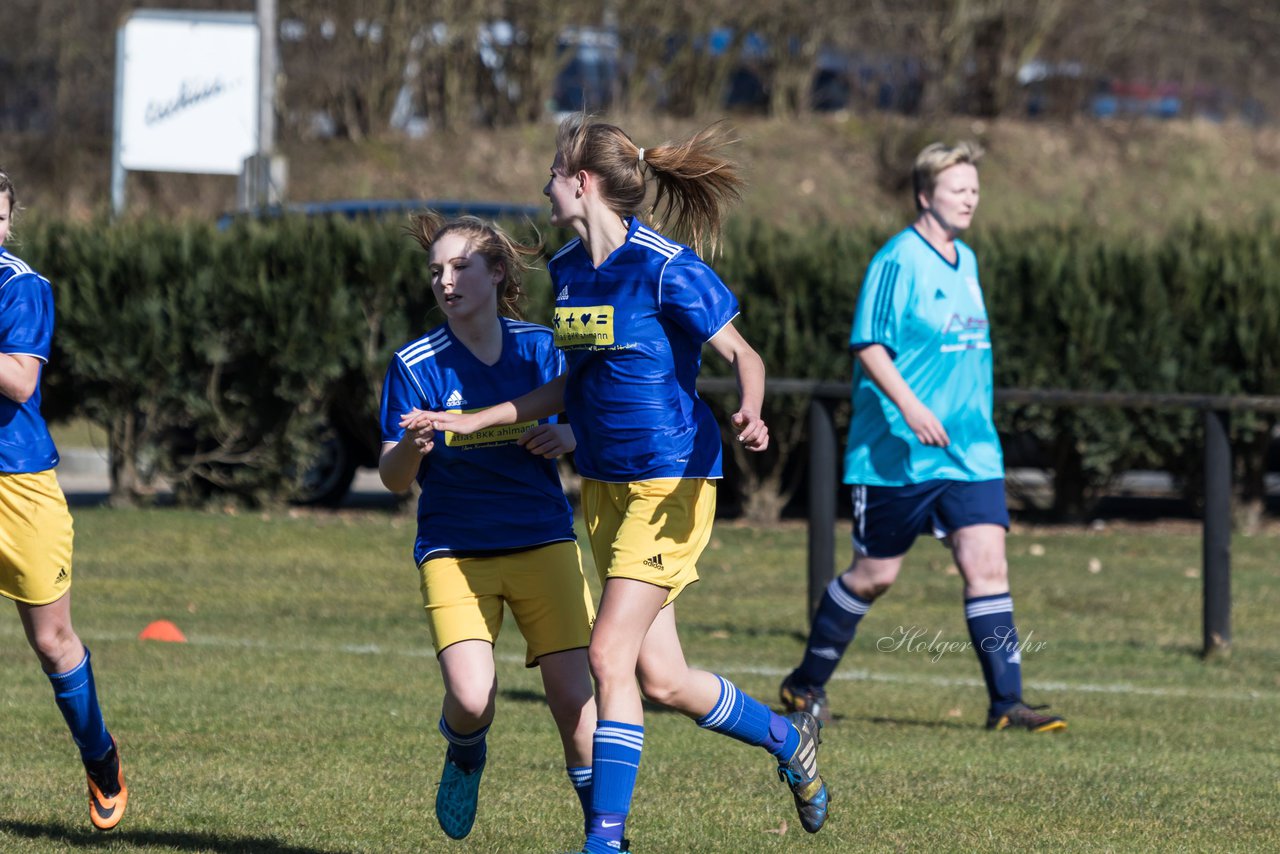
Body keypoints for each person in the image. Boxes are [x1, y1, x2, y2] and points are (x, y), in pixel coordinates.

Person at [404, 117, 829, 854]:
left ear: (582, 181)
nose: (543, 184)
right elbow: (576, 380)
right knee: (662, 679)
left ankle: (606, 841)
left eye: (551, 172)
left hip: (672, 485)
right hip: (602, 487)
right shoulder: (571, 269)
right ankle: (790, 740)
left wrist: (752, 407)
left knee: (607, 657)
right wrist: (474, 421)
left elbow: (743, 353)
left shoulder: (666, 266)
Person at [778, 142, 1067, 734]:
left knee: (987, 563)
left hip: (970, 449)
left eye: (975, 189)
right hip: (896, 453)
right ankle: (805, 682)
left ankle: (1007, 704)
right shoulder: (897, 261)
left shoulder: (968, 260)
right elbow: (869, 345)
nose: (970, 198)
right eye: (958, 188)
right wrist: (909, 408)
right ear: (924, 195)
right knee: (875, 576)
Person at [379, 212, 598, 841]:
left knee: (573, 704)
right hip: (455, 549)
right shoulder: (415, 364)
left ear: (497, 272)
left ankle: (602, 835)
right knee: (472, 700)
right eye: (435, 272)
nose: (445, 282)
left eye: (460, 267)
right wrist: (411, 449)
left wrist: (572, 433)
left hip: (543, 539)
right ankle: (467, 752)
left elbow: (595, 409)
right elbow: (394, 479)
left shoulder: (540, 347)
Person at [0, 168, 129, 830]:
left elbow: (20, 381)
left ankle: (101, 758)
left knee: (52, 642)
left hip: (17, 485)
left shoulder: (19, 286)